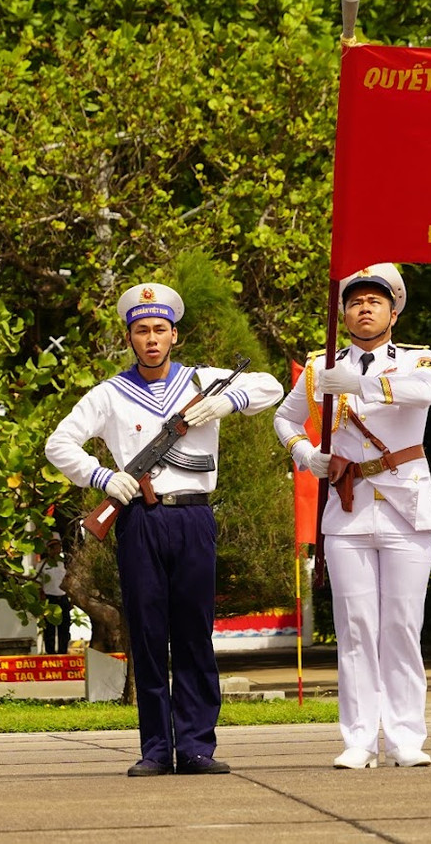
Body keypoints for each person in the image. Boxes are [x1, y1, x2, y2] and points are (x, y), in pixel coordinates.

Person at [45, 281, 282, 777]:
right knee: (149, 634)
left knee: (194, 633)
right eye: (141, 330)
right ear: (130, 337)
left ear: (174, 335)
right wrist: (104, 478)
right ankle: (156, 748)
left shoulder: (203, 381)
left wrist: (227, 402)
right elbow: (59, 443)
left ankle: (197, 745)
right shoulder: (111, 393)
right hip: (139, 521)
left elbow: (270, 386)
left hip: (193, 516)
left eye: (160, 329)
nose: (151, 338)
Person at [273, 263, 431, 770]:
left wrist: (362, 385)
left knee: (403, 624)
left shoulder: (419, 359)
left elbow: (423, 395)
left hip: (406, 503)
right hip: (347, 507)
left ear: (393, 311)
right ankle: (360, 738)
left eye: (375, 301)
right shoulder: (321, 366)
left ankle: (407, 736)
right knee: (357, 627)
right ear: (343, 313)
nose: (364, 308)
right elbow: (284, 418)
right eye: (355, 301)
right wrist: (306, 455)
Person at [35, 539, 71, 654]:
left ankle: (63, 652)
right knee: (49, 629)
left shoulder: (63, 564)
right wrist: (41, 597)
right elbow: (38, 582)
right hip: (50, 598)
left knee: (64, 628)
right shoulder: (42, 565)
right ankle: (50, 653)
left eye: (58, 548)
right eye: (54, 548)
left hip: (63, 597)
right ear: (49, 550)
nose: (57, 550)